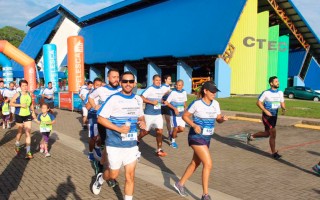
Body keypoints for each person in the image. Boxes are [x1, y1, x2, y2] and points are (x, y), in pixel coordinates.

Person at [92, 71, 146, 200]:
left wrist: (142, 121)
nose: (128, 84)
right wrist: (118, 129)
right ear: (121, 83)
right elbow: (100, 119)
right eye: (125, 81)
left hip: (131, 144)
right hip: (115, 144)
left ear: (134, 83)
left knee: (130, 176)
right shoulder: (114, 99)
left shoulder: (138, 99)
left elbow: (140, 115)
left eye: (131, 81)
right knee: (113, 175)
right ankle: (100, 178)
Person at [174, 81, 228, 200]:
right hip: (196, 137)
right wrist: (193, 125)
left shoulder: (216, 104)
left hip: (207, 138)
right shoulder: (197, 104)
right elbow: (185, 116)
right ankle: (205, 195)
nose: (214, 93)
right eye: (212, 91)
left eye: (215, 91)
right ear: (205, 91)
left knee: (195, 163)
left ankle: (179, 184)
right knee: (208, 164)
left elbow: (218, 119)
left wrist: (222, 119)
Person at [247, 76, 286, 159]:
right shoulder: (266, 93)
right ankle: (274, 153)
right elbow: (258, 103)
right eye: (276, 81)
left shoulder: (280, 92)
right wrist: (265, 111)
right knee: (273, 133)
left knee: (267, 134)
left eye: (278, 81)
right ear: (271, 83)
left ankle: (252, 136)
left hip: (274, 116)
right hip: (267, 116)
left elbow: (282, 102)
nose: (278, 82)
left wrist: (283, 108)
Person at [88, 69, 122, 166]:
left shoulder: (121, 89)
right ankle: (102, 165)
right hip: (104, 122)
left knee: (111, 145)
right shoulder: (101, 90)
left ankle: (103, 163)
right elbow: (90, 97)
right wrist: (95, 106)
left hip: (117, 122)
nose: (116, 79)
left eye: (117, 77)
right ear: (108, 78)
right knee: (107, 144)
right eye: (113, 77)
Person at [138, 74, 169, 157]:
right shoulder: (150, 88)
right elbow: (141, 98)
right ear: (153, 81)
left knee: (159, 131)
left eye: (159, 80)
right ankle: (137, 139)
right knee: (146, 132)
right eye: (156, 80)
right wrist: (151, 102)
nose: (158, 82)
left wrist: (162, 101)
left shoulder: (161, 89)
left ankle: (159, 150)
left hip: (158, 114)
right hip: (149, 114)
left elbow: (159, 99)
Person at [10, 80, 37, 159]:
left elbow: (31, 104)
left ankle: (28, 152)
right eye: (23, 86)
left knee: (28, 133)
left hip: (27, 115)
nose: (25, 87)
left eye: (26, 85)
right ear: (20, 87)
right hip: (19, 115)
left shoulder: (29, 94)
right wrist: (20, 105)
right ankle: (17, 144)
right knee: (20, 132)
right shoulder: (17, 94)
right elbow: (11, 103)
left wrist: (33, 112)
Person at [165, 79, 188, 148]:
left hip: (181, 114)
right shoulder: (173, 92)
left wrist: (186, 108)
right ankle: (173, 142)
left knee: (181, 129)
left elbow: (184, 102)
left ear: (182, 86)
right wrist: (174, 109)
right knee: (175, 128)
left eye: (179, 85)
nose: (177, 86)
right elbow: (166, 102)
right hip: (174, 114)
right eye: (177, 85)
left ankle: (171, 134)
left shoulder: (184, 92)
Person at [85, 78, 102, 162]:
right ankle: (91, 152)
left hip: (102, 118)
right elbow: (87, 107)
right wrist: (94, 104)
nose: (98, 87)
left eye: (100, 85)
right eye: (96, 85)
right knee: (93, 137)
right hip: (93, 117)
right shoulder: (90, 94)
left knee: (103, 136)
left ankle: (97, 147)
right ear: (93, 86)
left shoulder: (104, 94)